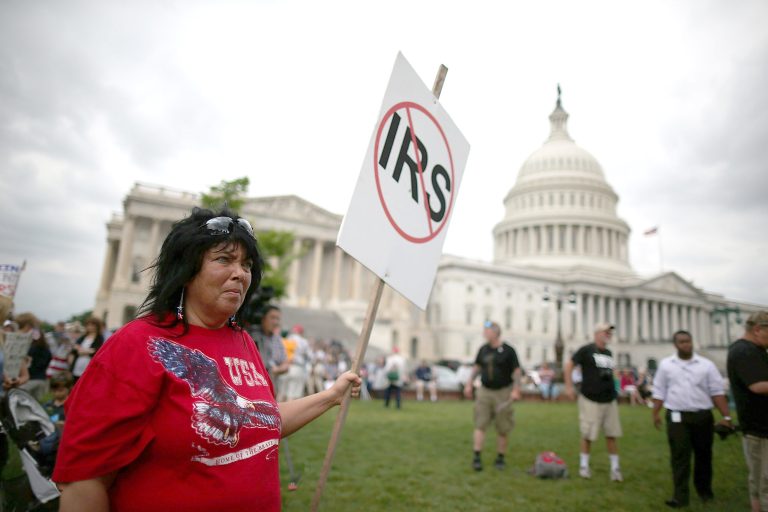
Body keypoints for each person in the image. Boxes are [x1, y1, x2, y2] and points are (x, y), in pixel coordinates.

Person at [53, 207, 361, 511]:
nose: (240, 273)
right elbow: (84, 481)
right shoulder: (137, 344)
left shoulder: (242, 342)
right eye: (224, 259)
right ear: (187, 269)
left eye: (247, 264)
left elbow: (258, 420)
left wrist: (331, 396)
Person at [652, 330, 732, 508]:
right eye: (681, 342)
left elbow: (717, 392)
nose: (686, 345)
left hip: (702, 415)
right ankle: (680, 496)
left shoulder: (706, 365)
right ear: (675, 345)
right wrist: (655, 413)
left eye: (688, 341)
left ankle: (704, 491)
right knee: (680, 457)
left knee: (704, 455)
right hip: (677, 416)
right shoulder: (666, 365)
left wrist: (726, 416)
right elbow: (659, 391)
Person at [564, 322, 623, 482]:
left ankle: (615, 468)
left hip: (609, 399)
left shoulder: (609, 353)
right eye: (606, 332)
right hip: (590, 398)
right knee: (588, 433)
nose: (609, 335)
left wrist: (616, 388)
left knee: (612, 434)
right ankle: (584, 466)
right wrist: (569, 386)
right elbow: (569, 364)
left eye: (610, 332)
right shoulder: (587, 350)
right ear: (597, 333)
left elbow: (612, 373)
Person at [463, 321, 521, 471]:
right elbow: (477, 367)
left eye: (487, 331)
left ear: (495, 333)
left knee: (503, 427)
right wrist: (469, 384)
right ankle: (476, 457)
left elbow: (516, 371)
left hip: (503, 392)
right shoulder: (483, 349)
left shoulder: (508, 350)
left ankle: (500, 458)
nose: (484, 333)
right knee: (480, 423)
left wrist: (516, 389)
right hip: (484, 391)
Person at [727, 310, 768, 512]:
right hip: (758, 427)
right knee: (764, 481)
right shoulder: (744, 351)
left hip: (759, 426)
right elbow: (758, 385)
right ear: (758, 329)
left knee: (759, 480)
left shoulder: (755, 350)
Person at [15, 312, 52, 400]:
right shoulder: (38, 337)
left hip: (32, 378)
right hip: (36, 377)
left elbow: (44, 357)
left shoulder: (34, 338)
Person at [70, 316, 105, 382]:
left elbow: (98, 351)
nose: (90, 327)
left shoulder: (99, 338)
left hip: (89, 364)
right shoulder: (83, 337)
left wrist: (84, 351)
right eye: (88, 325)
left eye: (92, 325)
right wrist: (87, 350)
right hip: (78, 363)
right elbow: (75, 348)